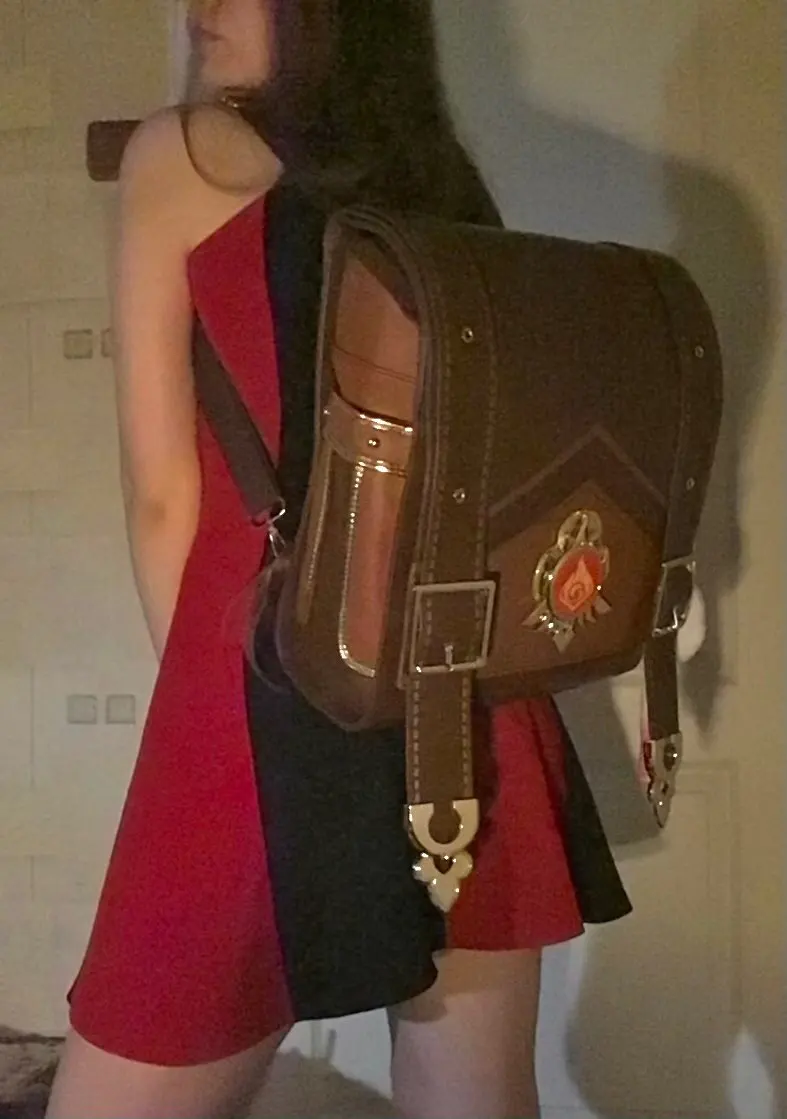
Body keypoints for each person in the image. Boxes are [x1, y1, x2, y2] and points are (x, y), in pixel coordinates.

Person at [45, 2, 637, 1116]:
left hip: (260, 685)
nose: (200, 8)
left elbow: (164, 496)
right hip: (463, 699)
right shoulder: (445, 184)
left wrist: (211, 734)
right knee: (473, 1099)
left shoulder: (180, 153)